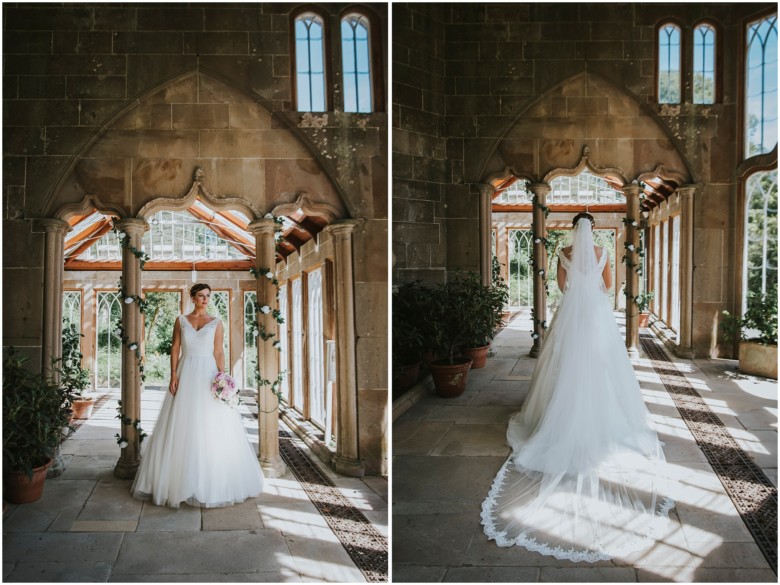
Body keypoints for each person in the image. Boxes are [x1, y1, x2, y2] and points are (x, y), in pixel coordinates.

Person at [481, 213, 673, 562]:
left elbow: (559, 285)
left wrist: (576, 289)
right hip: (596, 312)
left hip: (571, 311)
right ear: (593, 230)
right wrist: (594, 288)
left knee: (564, 360)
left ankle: (558, 414)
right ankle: (602, 416)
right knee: (602, 363)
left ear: (573, 228)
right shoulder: (602, 252)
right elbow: (609, 287)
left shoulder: (563, 251)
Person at [131, 283, 264, 508]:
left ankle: (210, 483)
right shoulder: (181, 321)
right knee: (181, 423)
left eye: (208, 296)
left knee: (210, 424)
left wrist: (223, 378)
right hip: (186, 371)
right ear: (192, 297)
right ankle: (178, 483)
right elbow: (175, 349)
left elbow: (219, 351)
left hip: (208, 374)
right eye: (201, 296)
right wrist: (173, 374)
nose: (205, 299)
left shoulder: (216, 322)